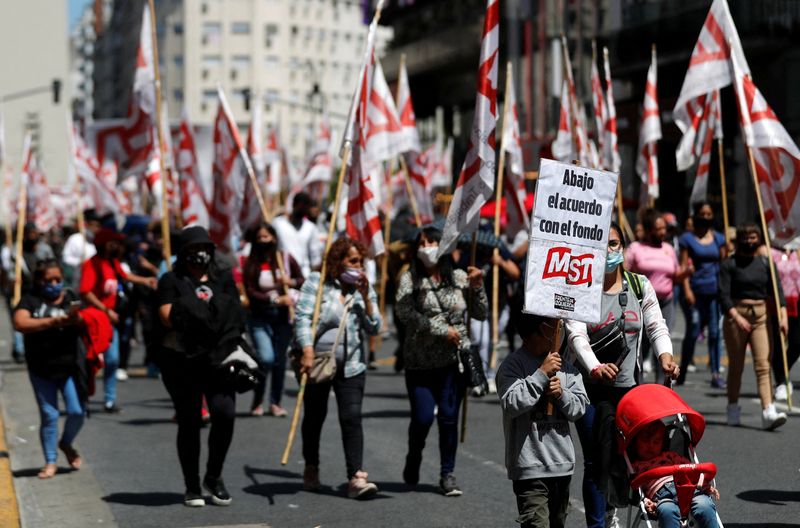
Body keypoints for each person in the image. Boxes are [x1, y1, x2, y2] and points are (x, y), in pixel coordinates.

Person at [566, 222, 679, 528]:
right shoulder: (581, 286)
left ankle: (612, 510)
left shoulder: (639, 285)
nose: (608, 250)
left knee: (622, 458)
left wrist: (665, 356)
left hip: (629, 390)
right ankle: (597, 524)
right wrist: (594, 367)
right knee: (595, 460)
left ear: (624, 247)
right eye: (602, 244)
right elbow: (576, 335)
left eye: (614, 243)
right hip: (588, 389)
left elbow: (656, 326)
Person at [156, 226, 251, 507]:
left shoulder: (223, 279)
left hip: (218, 360)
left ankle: (214, 475)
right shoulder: (170, 280)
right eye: (194, 249)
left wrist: (202, 313)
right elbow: (166, 317)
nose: (201, 254)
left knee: (225, 414)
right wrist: (205, 313)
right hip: (182, 362)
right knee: (190, 422)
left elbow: (235, 311)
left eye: (206, 248)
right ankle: (192, 485)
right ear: (183, 253)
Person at [395, 226, 487, 497]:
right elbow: (403, 312)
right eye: (421, 242)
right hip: (420, 363)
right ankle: (415, 454)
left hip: (453, 363)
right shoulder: (409, 280)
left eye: (431, 241)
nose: (426, 246)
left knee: (448, 419)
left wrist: (478, 286)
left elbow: (481, 313)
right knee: (423, 418)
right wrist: (438, 329)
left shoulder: (459, 277)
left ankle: (448, 473)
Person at [294, 237, 382, 499]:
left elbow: (375, 327)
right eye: (352, 261)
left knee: (351, 417)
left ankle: (356, 477)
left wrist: (366, 298)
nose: (358, 266)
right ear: (338, 261)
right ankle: (311, 466)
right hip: (319, 362)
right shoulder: (317, 283)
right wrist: (307, 351)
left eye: (361, 261)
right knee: (314, 417)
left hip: (352, 365)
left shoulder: (364, 288)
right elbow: (302, 318)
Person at [497, 313, 588, 528]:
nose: (560, 332)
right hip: (530, 468)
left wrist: (561, 395)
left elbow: (580, 408)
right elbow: (511, 404)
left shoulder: (565, 367)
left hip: (561, 466)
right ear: (537, 332)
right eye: (554, 327)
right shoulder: (512, 366)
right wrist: (540, 375)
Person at [13, 260, 86, 479]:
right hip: (41, 367)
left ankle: (66, 443)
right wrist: (54, 322)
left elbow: (84, 320)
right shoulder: (30, 300)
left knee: (76, 411)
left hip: (69, 366)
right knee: (49, 414)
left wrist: (77, 318)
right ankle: (50, 461)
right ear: (38, 281)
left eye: (57, 279)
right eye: (48, 280)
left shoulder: (70, 297)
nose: (54, 284)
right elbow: (20, 323)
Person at [719, 224, 788, 430]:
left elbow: (778, 292)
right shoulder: (729, 264)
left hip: (761, 316)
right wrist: (736, 317)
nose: (750, 240)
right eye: (746, 237)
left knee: (763, 365)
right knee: (737, 366)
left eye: (754, 237)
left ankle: (768, 410)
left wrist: (783, 316)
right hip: (736, 315)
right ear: (739, 239)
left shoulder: (766, 263)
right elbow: (723, 295)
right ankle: (732, 407)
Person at [79, 229, 156, 412]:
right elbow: (86, 292)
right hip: (94, 321)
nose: (118, 246)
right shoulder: (91, 264)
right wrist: (105, 309)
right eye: (114, 243)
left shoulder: (112, 263)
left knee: (112, 359)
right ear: (105, 244)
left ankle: (109, 400)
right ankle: (82, 396)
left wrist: (146, 281)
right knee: (90, 361)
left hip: (109, 321)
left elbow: (126, 276)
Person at [243, 222, 303, 417]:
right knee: (266, 358)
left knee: (279, 361)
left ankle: (275, 402)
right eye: (259, 238)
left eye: (266, 237)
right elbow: (251, 291)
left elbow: (302, 280)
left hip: (282, 318)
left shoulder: (284, 258)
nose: (263, 241)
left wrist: (291, 282)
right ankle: (258, 398)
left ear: (274, 238)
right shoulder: (250, 262)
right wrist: (275, 299)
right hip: (259, 317)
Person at [626, 209, 691, 379]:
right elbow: (623, 273)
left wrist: (686, 272)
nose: (663, 232)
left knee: (662, 343)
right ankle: (637, 384)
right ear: (649, 230)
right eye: (659, 228)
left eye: (664, 228)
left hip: (666, 303)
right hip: (641, 303)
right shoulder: (635, 248)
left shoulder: (668, 249)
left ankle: (661, 383)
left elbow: (675, 275)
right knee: (642, 346)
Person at [631, 420, 719, 528]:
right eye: (645, 441)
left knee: (705, 506)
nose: (650, 446)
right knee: (667, 511)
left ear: (663, 443)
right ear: (635, 442)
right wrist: (645, 501)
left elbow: (691, 470)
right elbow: (636, 490)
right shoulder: (636, 466)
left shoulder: (670, 456)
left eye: (656, 442)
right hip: (662, 497)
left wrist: (705, 485)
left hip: (689, 490)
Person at [677, 201, 728, 388]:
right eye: (702, 214)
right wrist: (687, 289)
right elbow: (683, 267)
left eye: (709, 214)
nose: (706, 217)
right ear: (696, 215)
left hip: (714, 293)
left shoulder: (719, 239)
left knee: (715, 333)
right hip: (695, 291)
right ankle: (683, 366)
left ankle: (715, 372)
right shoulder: (687, 239)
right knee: (693, 329)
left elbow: (724, 265)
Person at [770, 245, 800, 401]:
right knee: (778, 342)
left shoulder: (798, 251)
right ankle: (781, 381)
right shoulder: (769, 250)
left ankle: (783, 372)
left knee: (796, 343)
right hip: (777, 304)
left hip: (797, 303)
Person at [272, 192, 324, 278]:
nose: (305, 209)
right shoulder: (278, 223)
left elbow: (315, 255)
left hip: (304, 275)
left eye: (307, 206)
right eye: (302, 205)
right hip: (283, 274)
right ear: (294, 204)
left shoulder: (311, 228)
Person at [61, 209, 101, 288]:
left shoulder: (99, 243)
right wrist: (80, 262)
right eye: (93, 225)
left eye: (98, 226)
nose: (95, 228)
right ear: (86, 225)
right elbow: (65, 258)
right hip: (77, 278)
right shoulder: (75, 238)